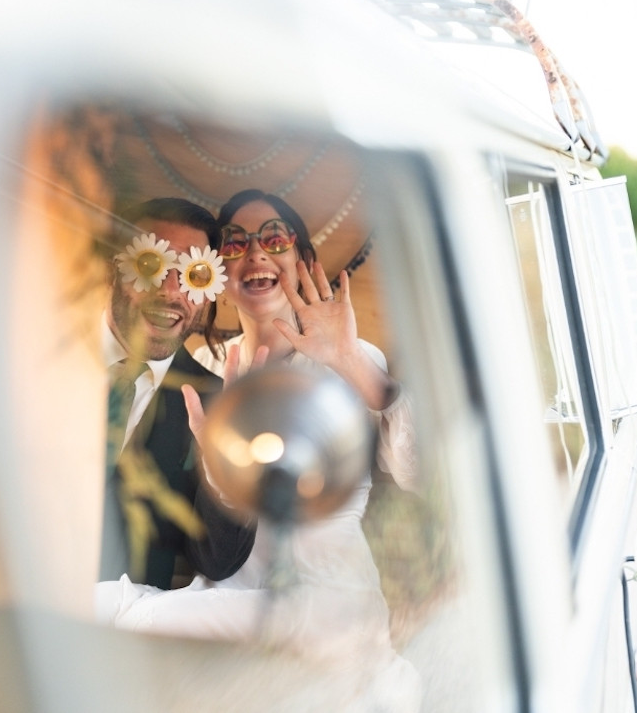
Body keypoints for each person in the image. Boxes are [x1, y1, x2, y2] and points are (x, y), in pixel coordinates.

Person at [95, 189, 421, 710]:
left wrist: (351, 362)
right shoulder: (204, 375)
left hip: (323, 601)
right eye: (237, 244)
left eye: (274, 238)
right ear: (219, 276)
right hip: (227, 594)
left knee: (106, 610)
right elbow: (207, 538)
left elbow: (418, 470)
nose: (255, 254)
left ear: (304, 261)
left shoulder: (352, 359)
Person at [99, 196, 255, 590]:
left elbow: (218, 563)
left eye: (193, 275)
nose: (171, 291)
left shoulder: (217, 405)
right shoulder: (34, 352)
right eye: (151, 265)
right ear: (114, 269)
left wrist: (226, 476)